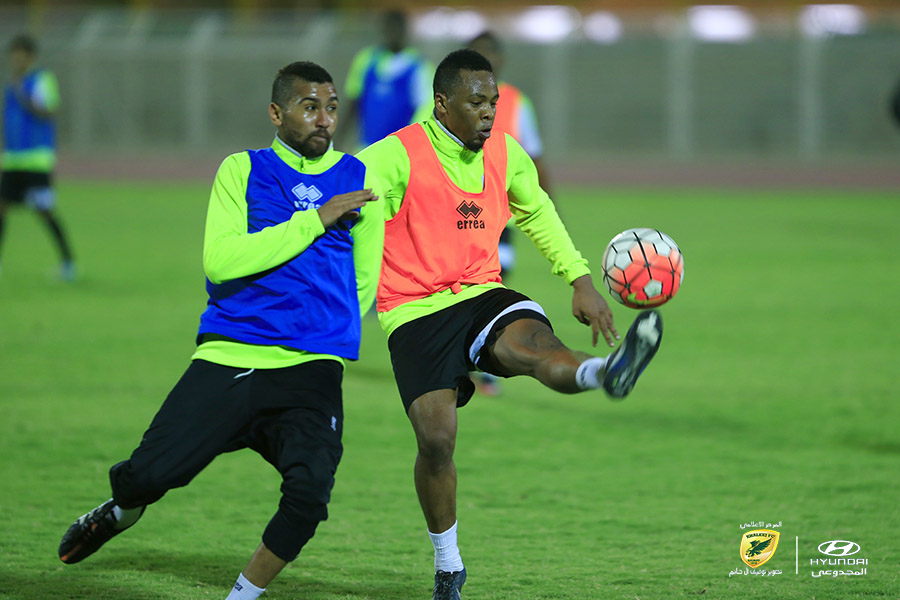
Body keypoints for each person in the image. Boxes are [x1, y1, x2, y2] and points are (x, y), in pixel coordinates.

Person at [56, 61, 381, 600]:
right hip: (231, 355)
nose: (324, 119)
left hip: (311, 366)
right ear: (276, 113)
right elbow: (222, 261)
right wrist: (314, 219)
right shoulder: (243, 170)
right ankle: (121, 510)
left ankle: (242, 595)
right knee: (147, 476)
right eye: (309, 107)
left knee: (310, 494)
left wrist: (328, 330)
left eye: (330, 107)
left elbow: (364, 279)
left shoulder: (358, 178)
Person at [356, 49, 663, 600]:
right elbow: (345, 198)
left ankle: (606, 371)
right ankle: (448, 563)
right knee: (436, 442)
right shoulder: (395, 155)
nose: (489, 113)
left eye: (493, 102)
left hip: (483, 295)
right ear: (442, 104)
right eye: (476, 103)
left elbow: (537, 210)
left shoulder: (504, 152)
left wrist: (580, 279)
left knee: (538, 346)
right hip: (414, 309)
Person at [467, 30, 553, 396]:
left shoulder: (518, 103)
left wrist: (548, 207)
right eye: (478, 54)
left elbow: (534, 158)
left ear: (501, 60)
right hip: (455, 212)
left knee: (492, 283)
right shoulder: (448, 100)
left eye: (491, 55)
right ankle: (472, 363)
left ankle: (482, 365)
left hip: (500, 216)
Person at [0, 34, 75, 280]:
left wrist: (25, 97)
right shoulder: (13, 82)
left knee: (44, 210)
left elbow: (49, 110)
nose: (16, 60)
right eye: (13, 55)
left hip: (36, 158)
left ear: (30, 56)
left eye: (21, 55)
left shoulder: (41, 79)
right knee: (2, 207)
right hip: (13, 158)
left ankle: (68, 264)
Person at [342, 9, 434, 150]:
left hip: (400, 151)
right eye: (389, 28)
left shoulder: (420, 68)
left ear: (405, 31)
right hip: (366, 148)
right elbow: (353, 103)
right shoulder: (366, 60)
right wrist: (339, 138)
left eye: (397, 28)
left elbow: (424, 113)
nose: (393, 33)